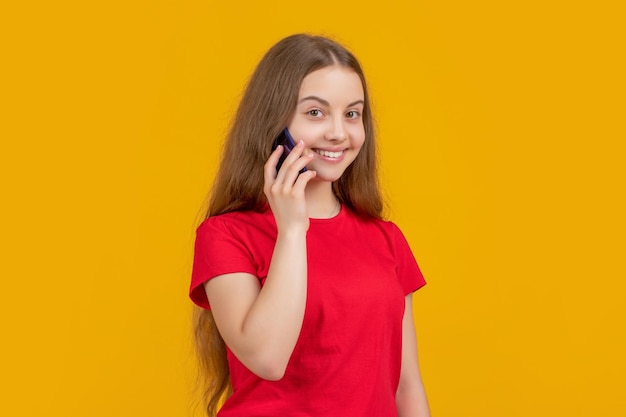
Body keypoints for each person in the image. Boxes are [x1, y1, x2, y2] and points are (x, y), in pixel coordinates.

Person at [189, 34, 430, 417]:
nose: (338, 132)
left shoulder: (386, 239)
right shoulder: (225, 235)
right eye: (315, 113)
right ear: (274, 122)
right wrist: (292, 231)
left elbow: (406, 384)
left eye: (352, 113)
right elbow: (268, 358)